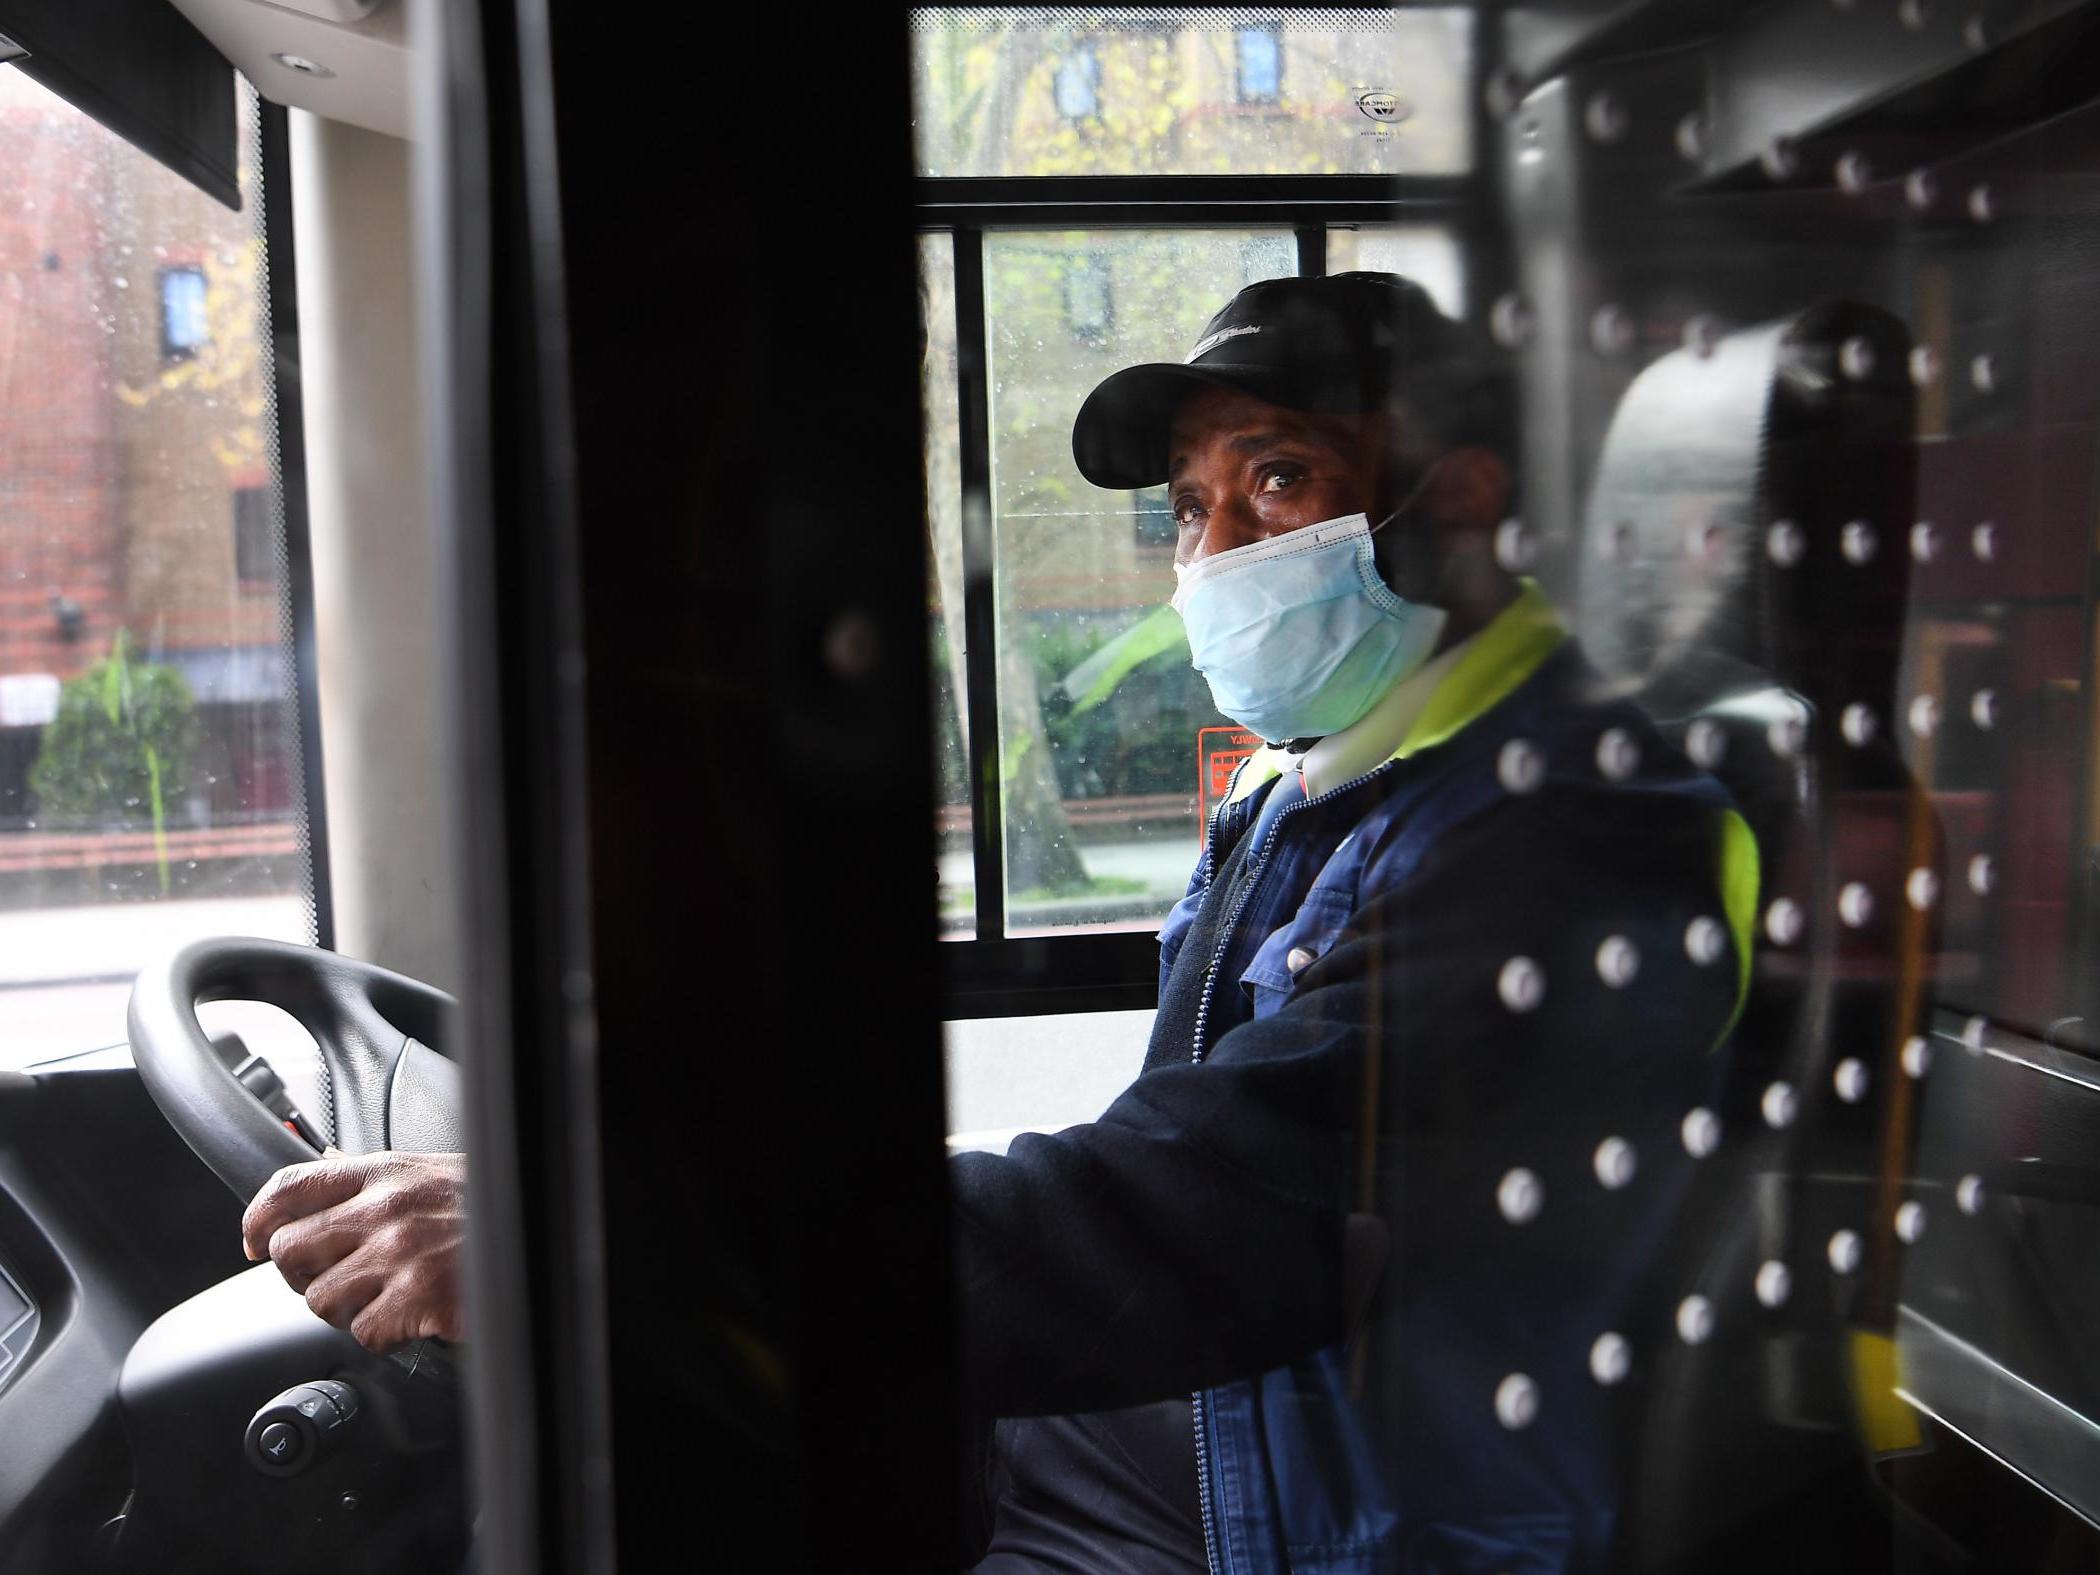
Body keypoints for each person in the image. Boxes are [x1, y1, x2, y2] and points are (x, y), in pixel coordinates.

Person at [243, 273, 1755, 1573]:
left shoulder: (1571, 832)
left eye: (1279, 480)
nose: (1217, 551)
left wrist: (623, 1245)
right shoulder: (1330, 786)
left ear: (1462, 500)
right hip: (1144, 1448)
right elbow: (1170, 1160)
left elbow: (1231, 1217)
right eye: (1189, 507)